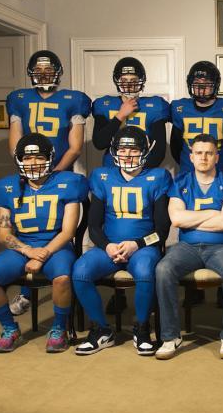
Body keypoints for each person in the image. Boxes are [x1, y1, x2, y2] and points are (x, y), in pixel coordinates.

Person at [0, 133, 87, 353]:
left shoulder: (68, 182)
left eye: (38, 157)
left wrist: (43, 254)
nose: (33, 163)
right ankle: (10, 329)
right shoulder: (6, 188)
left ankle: (59, 329)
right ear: (19, 159)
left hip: (56, 245)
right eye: (27, 158)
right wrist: (28, 250)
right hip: (22, 246)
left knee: (63, 277)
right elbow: (4, 234)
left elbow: (68, 232)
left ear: (50, 157)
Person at [5, 50, 91, 316]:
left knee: (62, 229)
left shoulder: (73, 99)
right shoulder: (18, 99)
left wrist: (52, 172)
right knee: (29, 225)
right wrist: (30, 169)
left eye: (48, 69)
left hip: (61, 171)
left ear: (58, 71)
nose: (43, 74)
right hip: (29, 171)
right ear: (30, 72)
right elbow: (15, 142)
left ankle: (66, 278)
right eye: (38, 69)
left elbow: (75, 147)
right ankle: (27, 289)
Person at [73, 126, 171, 356]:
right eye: (123, 149)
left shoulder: (157, 177)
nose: (127, 155)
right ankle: (101, 330)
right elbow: (94, 225)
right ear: (114, 151)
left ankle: (142, 328)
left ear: (144, 152)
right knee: (80, 271)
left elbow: (162, 230)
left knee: (146, 272)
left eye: (134, 149)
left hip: (142, 247)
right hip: (109, 246)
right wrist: (107, 246)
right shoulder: (102, 176)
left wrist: (136, 244)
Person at [154, 134, 223, 360]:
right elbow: (176, 219)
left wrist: (193, 218)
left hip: (221, 248)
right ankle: (170, 336)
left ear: (216, 157)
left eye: (209, 153)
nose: (204, 157)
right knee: (163, 269)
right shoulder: (181, 183)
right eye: (199, 153)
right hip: (187, 247)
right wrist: (213, 213)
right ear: (191, 157)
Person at [92, 56, 169, 169]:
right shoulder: (104, 105)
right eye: (124, 81)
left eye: (133, 80)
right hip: (112, 170)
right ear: (117, 81)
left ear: (141, 81)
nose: (129, 85)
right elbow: (99, 143)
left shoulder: (155, 106)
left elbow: (159, 151)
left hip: (144, 170)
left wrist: (139, 171)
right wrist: (120, 115)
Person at [170, 61, 223, 176]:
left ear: (216, 85)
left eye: (207, 83)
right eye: (196, 83)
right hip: (188, 173)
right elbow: (175, 145)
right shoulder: (180, 107)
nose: (201, 88)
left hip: (221, 173)